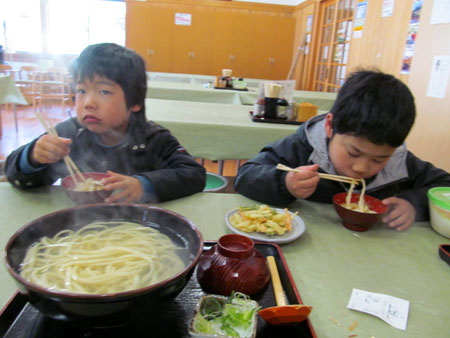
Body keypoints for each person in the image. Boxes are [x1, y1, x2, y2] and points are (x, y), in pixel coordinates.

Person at [234, 69, 450, 231]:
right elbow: (245, 176)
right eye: (354, 153)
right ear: (329, 126)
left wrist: (413, 203)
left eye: (379, 159)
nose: (362, 167)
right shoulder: (302, 147)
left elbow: (445, 186)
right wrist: (285, 184)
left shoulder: (400, 162)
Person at [5, 43, 206, 203]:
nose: (89, 103)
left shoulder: (153, 138)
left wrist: (143, 185)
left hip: (137, 227)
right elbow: (16, 176)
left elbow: (194, 175)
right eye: (81, 91)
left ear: (134, 101)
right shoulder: (68, 134)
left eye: (104, 92)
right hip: (76, 228)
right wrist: (31, 157)